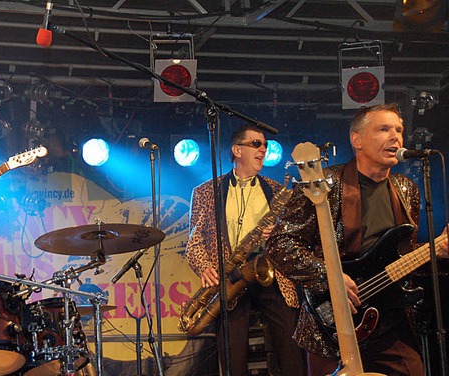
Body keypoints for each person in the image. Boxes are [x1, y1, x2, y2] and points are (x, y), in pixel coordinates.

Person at [266, 103, 449, 375]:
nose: (396, 136)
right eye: (383, 129)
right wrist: (329, 275)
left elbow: (401, 254)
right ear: (357, 140)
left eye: (399, 129)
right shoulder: (325, 182)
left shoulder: (405, 189)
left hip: (390, 322)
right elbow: (280, 243)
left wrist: (439, 250)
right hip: (330, 325)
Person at [185, 125, 307, 375]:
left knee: (291, 350)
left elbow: (294, 235)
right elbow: (194, 240)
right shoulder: (205, 191)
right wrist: (204, 267)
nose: (263, 149)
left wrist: (276, 234)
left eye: (265, 145)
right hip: (231, 277)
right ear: (237, 150)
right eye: (256, 144)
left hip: (271, 273)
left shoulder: (277, 189)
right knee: (232, 358)